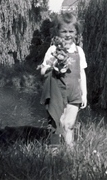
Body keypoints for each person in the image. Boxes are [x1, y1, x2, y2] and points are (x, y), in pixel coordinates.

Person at [40, 12, 87, 148]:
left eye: (71, 31)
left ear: (76, 32)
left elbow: (82, 74)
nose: (67, 35)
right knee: (56, 124)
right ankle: (54, 153)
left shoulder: (79, 51)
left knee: (69, 124)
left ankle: (70, 153)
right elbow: (43, 71)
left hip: (74, 93)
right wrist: (53, 63)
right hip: (57, 93)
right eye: (64, 31)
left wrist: (85, 94)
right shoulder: (52, 50)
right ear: (57, 32)